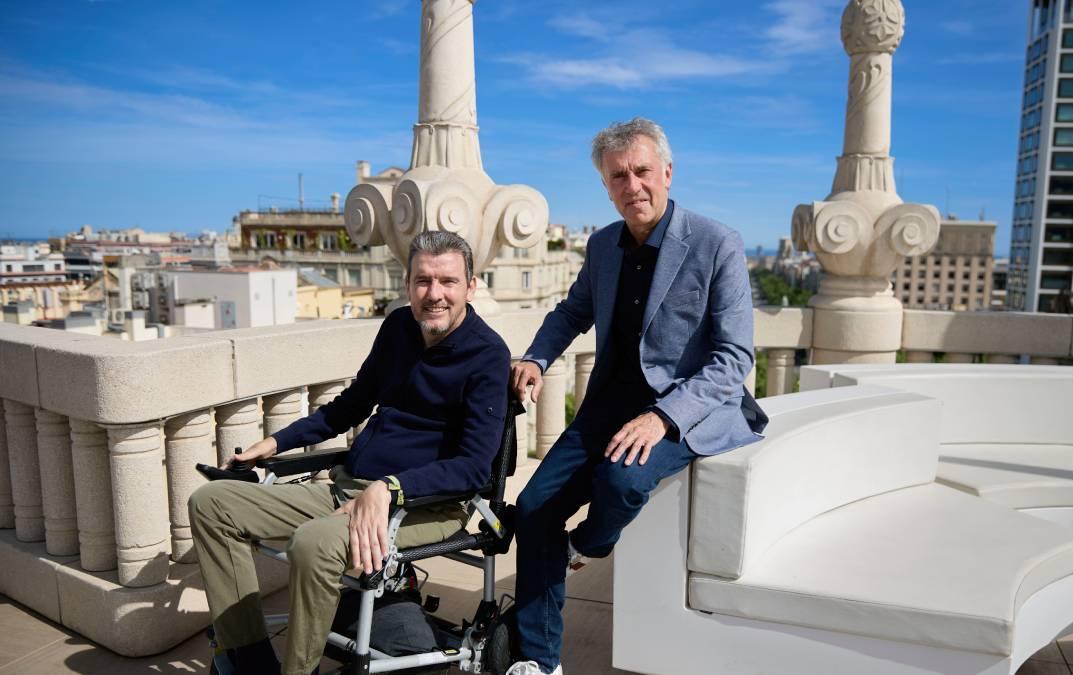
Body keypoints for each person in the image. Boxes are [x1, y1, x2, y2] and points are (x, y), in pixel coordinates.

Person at [505, 118, 768, 675]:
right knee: (531, 511)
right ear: (606, 186)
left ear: (667, 172)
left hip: (685, 408)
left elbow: (734, 359)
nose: (633, 185)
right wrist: (535, 356)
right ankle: (538, 661)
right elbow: (573, 311)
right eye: (618, 176)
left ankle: (588, 547)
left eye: (642, 171)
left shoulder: (718, 243)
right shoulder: (603, 245)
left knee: (620, 482)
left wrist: (663, 417)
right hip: (607, 404)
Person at [188, 230, 511, 675]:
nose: (434, 294)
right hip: (347, 489)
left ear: (471, 287)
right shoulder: (398, 327)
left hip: (423, 506)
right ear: (407, 284)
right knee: (211, 504)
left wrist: (390, 489)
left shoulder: (487, 355)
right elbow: (352, 405)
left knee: (314, 544)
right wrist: (278, 442)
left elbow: (475, 467)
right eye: (423, 281)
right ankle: (249, 658)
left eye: (448, 282)